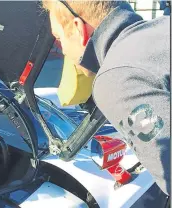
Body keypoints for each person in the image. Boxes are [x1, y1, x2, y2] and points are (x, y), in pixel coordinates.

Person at [42, 0, 170, 196]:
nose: (63, 50)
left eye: (59, 39)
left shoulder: (117, 76)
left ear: (77, 28)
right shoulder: (163, 28)